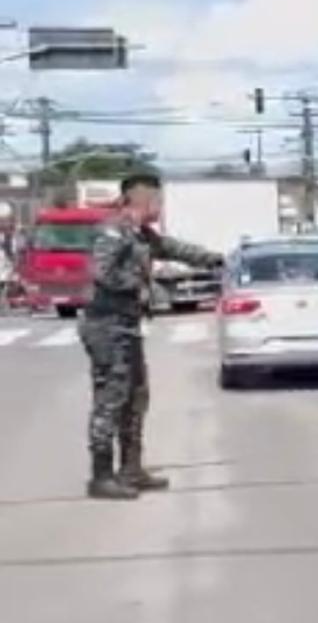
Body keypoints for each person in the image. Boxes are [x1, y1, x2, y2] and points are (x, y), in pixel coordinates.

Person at [79, 173, 223, 501]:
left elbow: (173, 249)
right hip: (107, 325)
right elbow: (103, 274)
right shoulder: (113, 231)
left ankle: (131, 468)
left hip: (126, 326)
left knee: (136, 397)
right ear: (142, 200)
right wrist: (145, 286)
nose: (160, 206)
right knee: (110, 399)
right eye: (157, 201)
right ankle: (101, 477)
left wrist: (215, 258)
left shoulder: (140, 234)